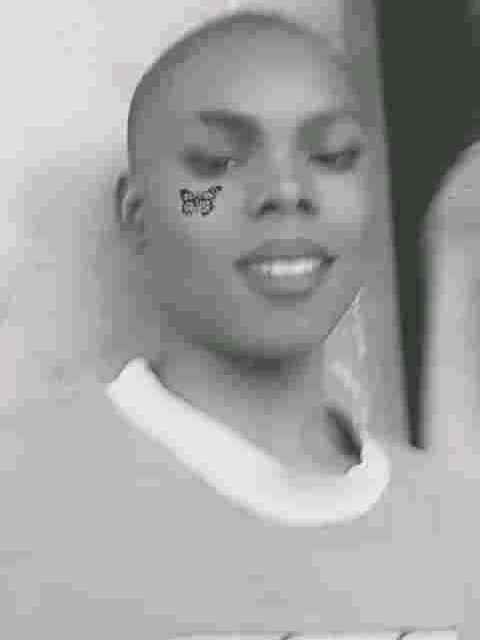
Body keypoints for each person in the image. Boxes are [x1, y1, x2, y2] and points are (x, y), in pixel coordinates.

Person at [108, 9, 391, 528]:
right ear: (137, 214)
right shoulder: (23, 499)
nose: (287, 191)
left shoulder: (459, 518)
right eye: (217, 162)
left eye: (333, 156)